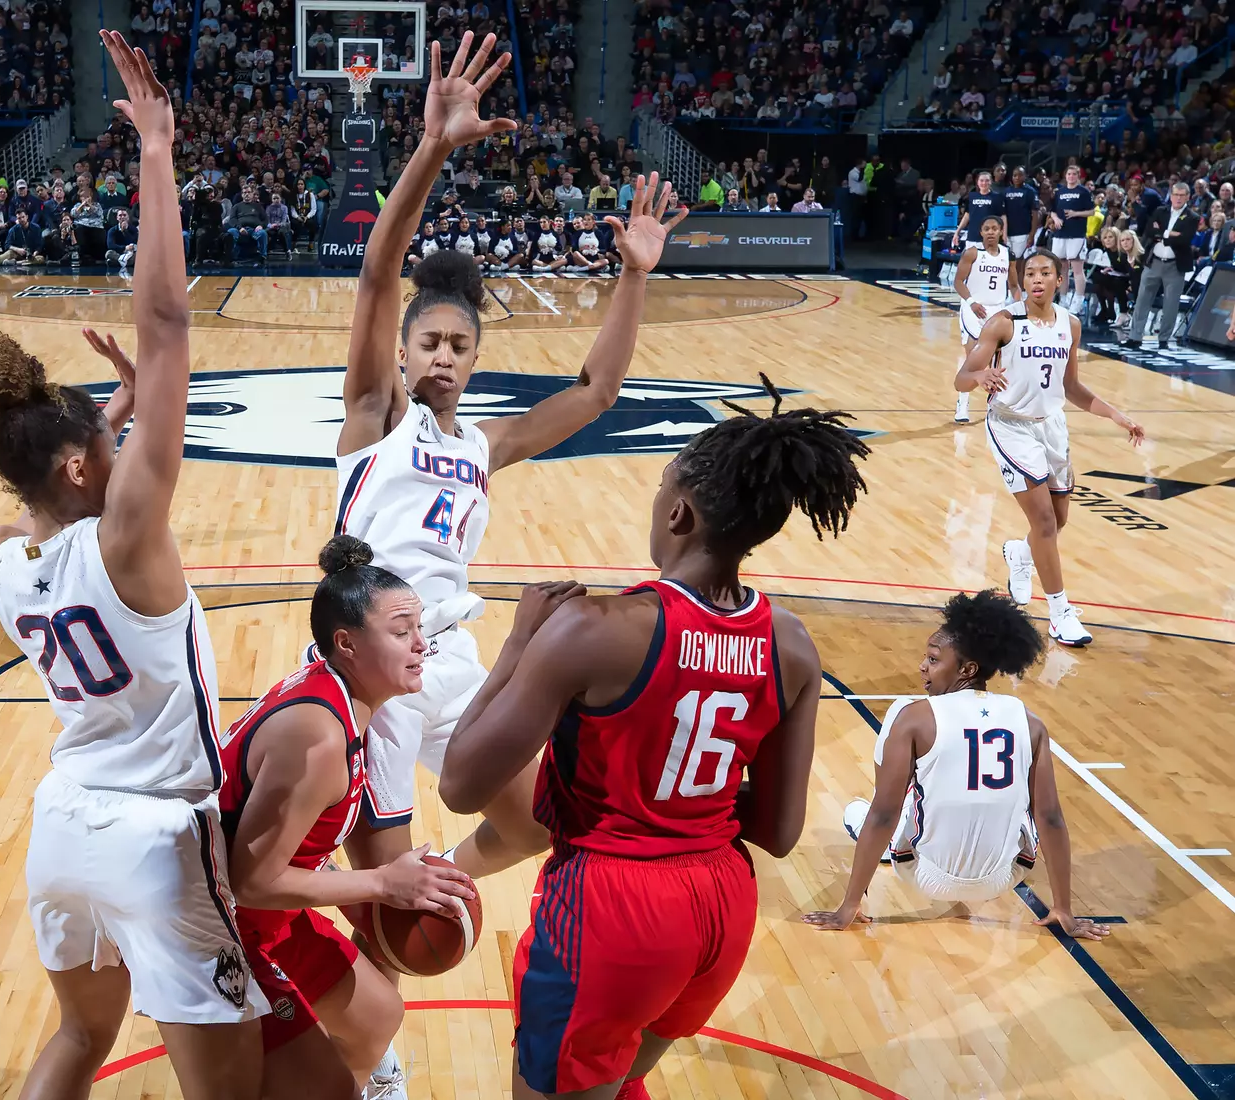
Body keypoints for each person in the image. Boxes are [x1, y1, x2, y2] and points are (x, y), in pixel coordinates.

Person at [336, 29, 687, 1093]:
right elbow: (380, 271)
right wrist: (434, 148)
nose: (442, 355)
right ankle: (376, 1054)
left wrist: (633, 276)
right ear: (405, 352)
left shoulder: (485, 446)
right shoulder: (374, 418)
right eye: (429, 342)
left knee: (538, 820)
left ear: (475, 359)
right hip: (372, 665)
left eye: (458, 345)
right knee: (380, 883)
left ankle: (442, 877)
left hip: (453, 656)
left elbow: (595, 393)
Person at [0, 37, 275, 1100]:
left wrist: (104, 417)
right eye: (110, 442)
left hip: (62, 828)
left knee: (75, 1043)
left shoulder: (2, 561)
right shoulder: (128, 540)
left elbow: (34, 507)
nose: (124, 445)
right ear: (81, 465)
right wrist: (155, 148)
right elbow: (168, 321)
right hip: (157, 835)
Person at [440, 379, 869, 1100]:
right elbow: (778, 831)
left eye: (662, 484)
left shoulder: (596, 630)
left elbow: (460, 785)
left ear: (679, 511)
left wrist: (517, 645)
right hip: (721, 906)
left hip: (613, 911)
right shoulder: (792, 643)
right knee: (619, 1080)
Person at [219, 535, 477, 1093]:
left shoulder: (339, 700)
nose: (422, 645)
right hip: (222, 926)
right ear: (347, 643)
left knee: (377, 1015)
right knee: (315, 1078)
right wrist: (383, 883)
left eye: (420, 628)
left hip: (261, 910)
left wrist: (362, 883)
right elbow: (250, 880)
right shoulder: (318, 738)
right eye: (402, 631)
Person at [803, 591, 1109, 941]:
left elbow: (883, 814)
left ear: (967, 669)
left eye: (933, 659)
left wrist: (849, 905)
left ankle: (884, 846)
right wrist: (1064, 909)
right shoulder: (1030, 721)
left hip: (924, 875)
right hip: (1003, 878)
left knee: (873, 805)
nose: (923, 666)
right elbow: (1050, 818)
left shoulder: (914, 717)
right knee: (1029, 810)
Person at [956, 248, 1145, 647]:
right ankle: (1060, 613)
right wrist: (980, 375)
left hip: (1052, 425)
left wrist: (1116, 416)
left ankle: (1020, 554)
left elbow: (1070, 386)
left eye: (1044, 272)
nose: (1036, 279)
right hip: (1010, 425)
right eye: (1029, 273)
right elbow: (961, 378)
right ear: (1023, 281)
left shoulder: (1070, 324)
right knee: (1043, 522)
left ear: (1059, 280)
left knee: (1058, 521)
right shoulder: (1004, 322)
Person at [951, 215, 1018, 424]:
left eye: (994, 228)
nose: (990, 232)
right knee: (973, 357)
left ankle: (995, 402)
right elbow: (958, 281)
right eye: (986, 228)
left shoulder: (1008, 254)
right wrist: (971, 302)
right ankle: (963, 403)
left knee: (998, 359)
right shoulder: (972, 253)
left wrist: (1020, 308)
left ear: (1000, 231)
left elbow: (1014, 285)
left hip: (997, 310)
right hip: (973, 308)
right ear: (980, 232)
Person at [1124, 182, 1199, 349]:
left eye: (1182, 195)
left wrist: (1162, 233)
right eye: (1176, 194)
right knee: (1142, 300)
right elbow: (1150, 231)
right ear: (1171, 196)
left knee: (1171, 304)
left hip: (1175, 266)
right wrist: (1169, 233)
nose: (1178, 198)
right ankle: (1135, 337)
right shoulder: (1160, 211)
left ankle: (1164, 340)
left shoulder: (1192, 217)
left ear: (1187, 197)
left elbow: (1184, 239)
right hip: (1154, 262)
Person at [1046, 165, 1096, 311]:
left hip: (1076, 234)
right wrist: (1056, 219)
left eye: (1074, 174)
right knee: (1062, 268)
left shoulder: (1083, 192)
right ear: (1065, 175)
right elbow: (1052, 211)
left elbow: (1092, 212)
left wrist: (1076, 213)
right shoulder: (1060, 192)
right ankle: (1063, 299)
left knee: (1077, 269)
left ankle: (1078, 301)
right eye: (1069, 174)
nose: (1071, 176)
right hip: (1060, 234)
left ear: (1078, 176)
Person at [951, 169, 1007, 252]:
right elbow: (967, 216)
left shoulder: (997, 197)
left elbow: (1003, 217)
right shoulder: (971, 196)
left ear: (991, 182)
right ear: (977, 182)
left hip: (989, 238)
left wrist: (1004, 235)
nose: (984, 183)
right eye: (981, 180)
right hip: (972, 237)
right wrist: (957, 232)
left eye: (987, 180)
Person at [1000, 165, 1040, 273]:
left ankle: (1019, 284)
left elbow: (1035, 214)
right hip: (1007, 232)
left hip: (1023, 232)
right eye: (1015, 175)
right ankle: (1008, 283)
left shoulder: (1030, 191)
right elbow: (1002, 214)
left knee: (1018, 261)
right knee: (1007, 261)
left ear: (1025, 176)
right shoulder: (1005, 192)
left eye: (1020, 175)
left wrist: (1032, 234)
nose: (1017, 177)